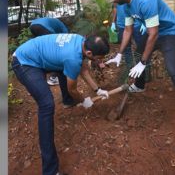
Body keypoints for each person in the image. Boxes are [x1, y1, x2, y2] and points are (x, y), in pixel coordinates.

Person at [12, 34, 110, 175]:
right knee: (47, 105)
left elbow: (83, 70)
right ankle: (50, 171)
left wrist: (97, 89)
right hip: (24, 62)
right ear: (89, 53)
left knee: (63, 68)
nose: (100, 61)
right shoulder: (73, 58)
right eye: (99, 58)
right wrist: (84, 100)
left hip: (36, 54)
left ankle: (67, 101)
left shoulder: (81, 41)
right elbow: (72, 89)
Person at [104, 0, 175, 92]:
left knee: (173, 70)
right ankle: (139, 85)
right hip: (153, 31)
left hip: (170, 31)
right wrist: (119, 53)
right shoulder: (126, 5)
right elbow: (128, 30)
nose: (114, 1)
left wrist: (143, 62)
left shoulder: (146, 0)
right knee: (139, 53)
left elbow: (154, 34)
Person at [109, 0, 146, 71]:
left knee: (141, 48)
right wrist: (113, 22)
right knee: (126, 49)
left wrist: (143, 23)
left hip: (137, 24)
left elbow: (141, 6)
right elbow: (115, 7)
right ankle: (131, 70)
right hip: (122, 24)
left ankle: (144, 71)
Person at [29, 17, 69, 86]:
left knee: (43, 48)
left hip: (32, 26)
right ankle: (53, 77)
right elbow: (67, 38)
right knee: (54, 51)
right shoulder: (63, 27)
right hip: (43, 27)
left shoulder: (55, 22)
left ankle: (41, 75)